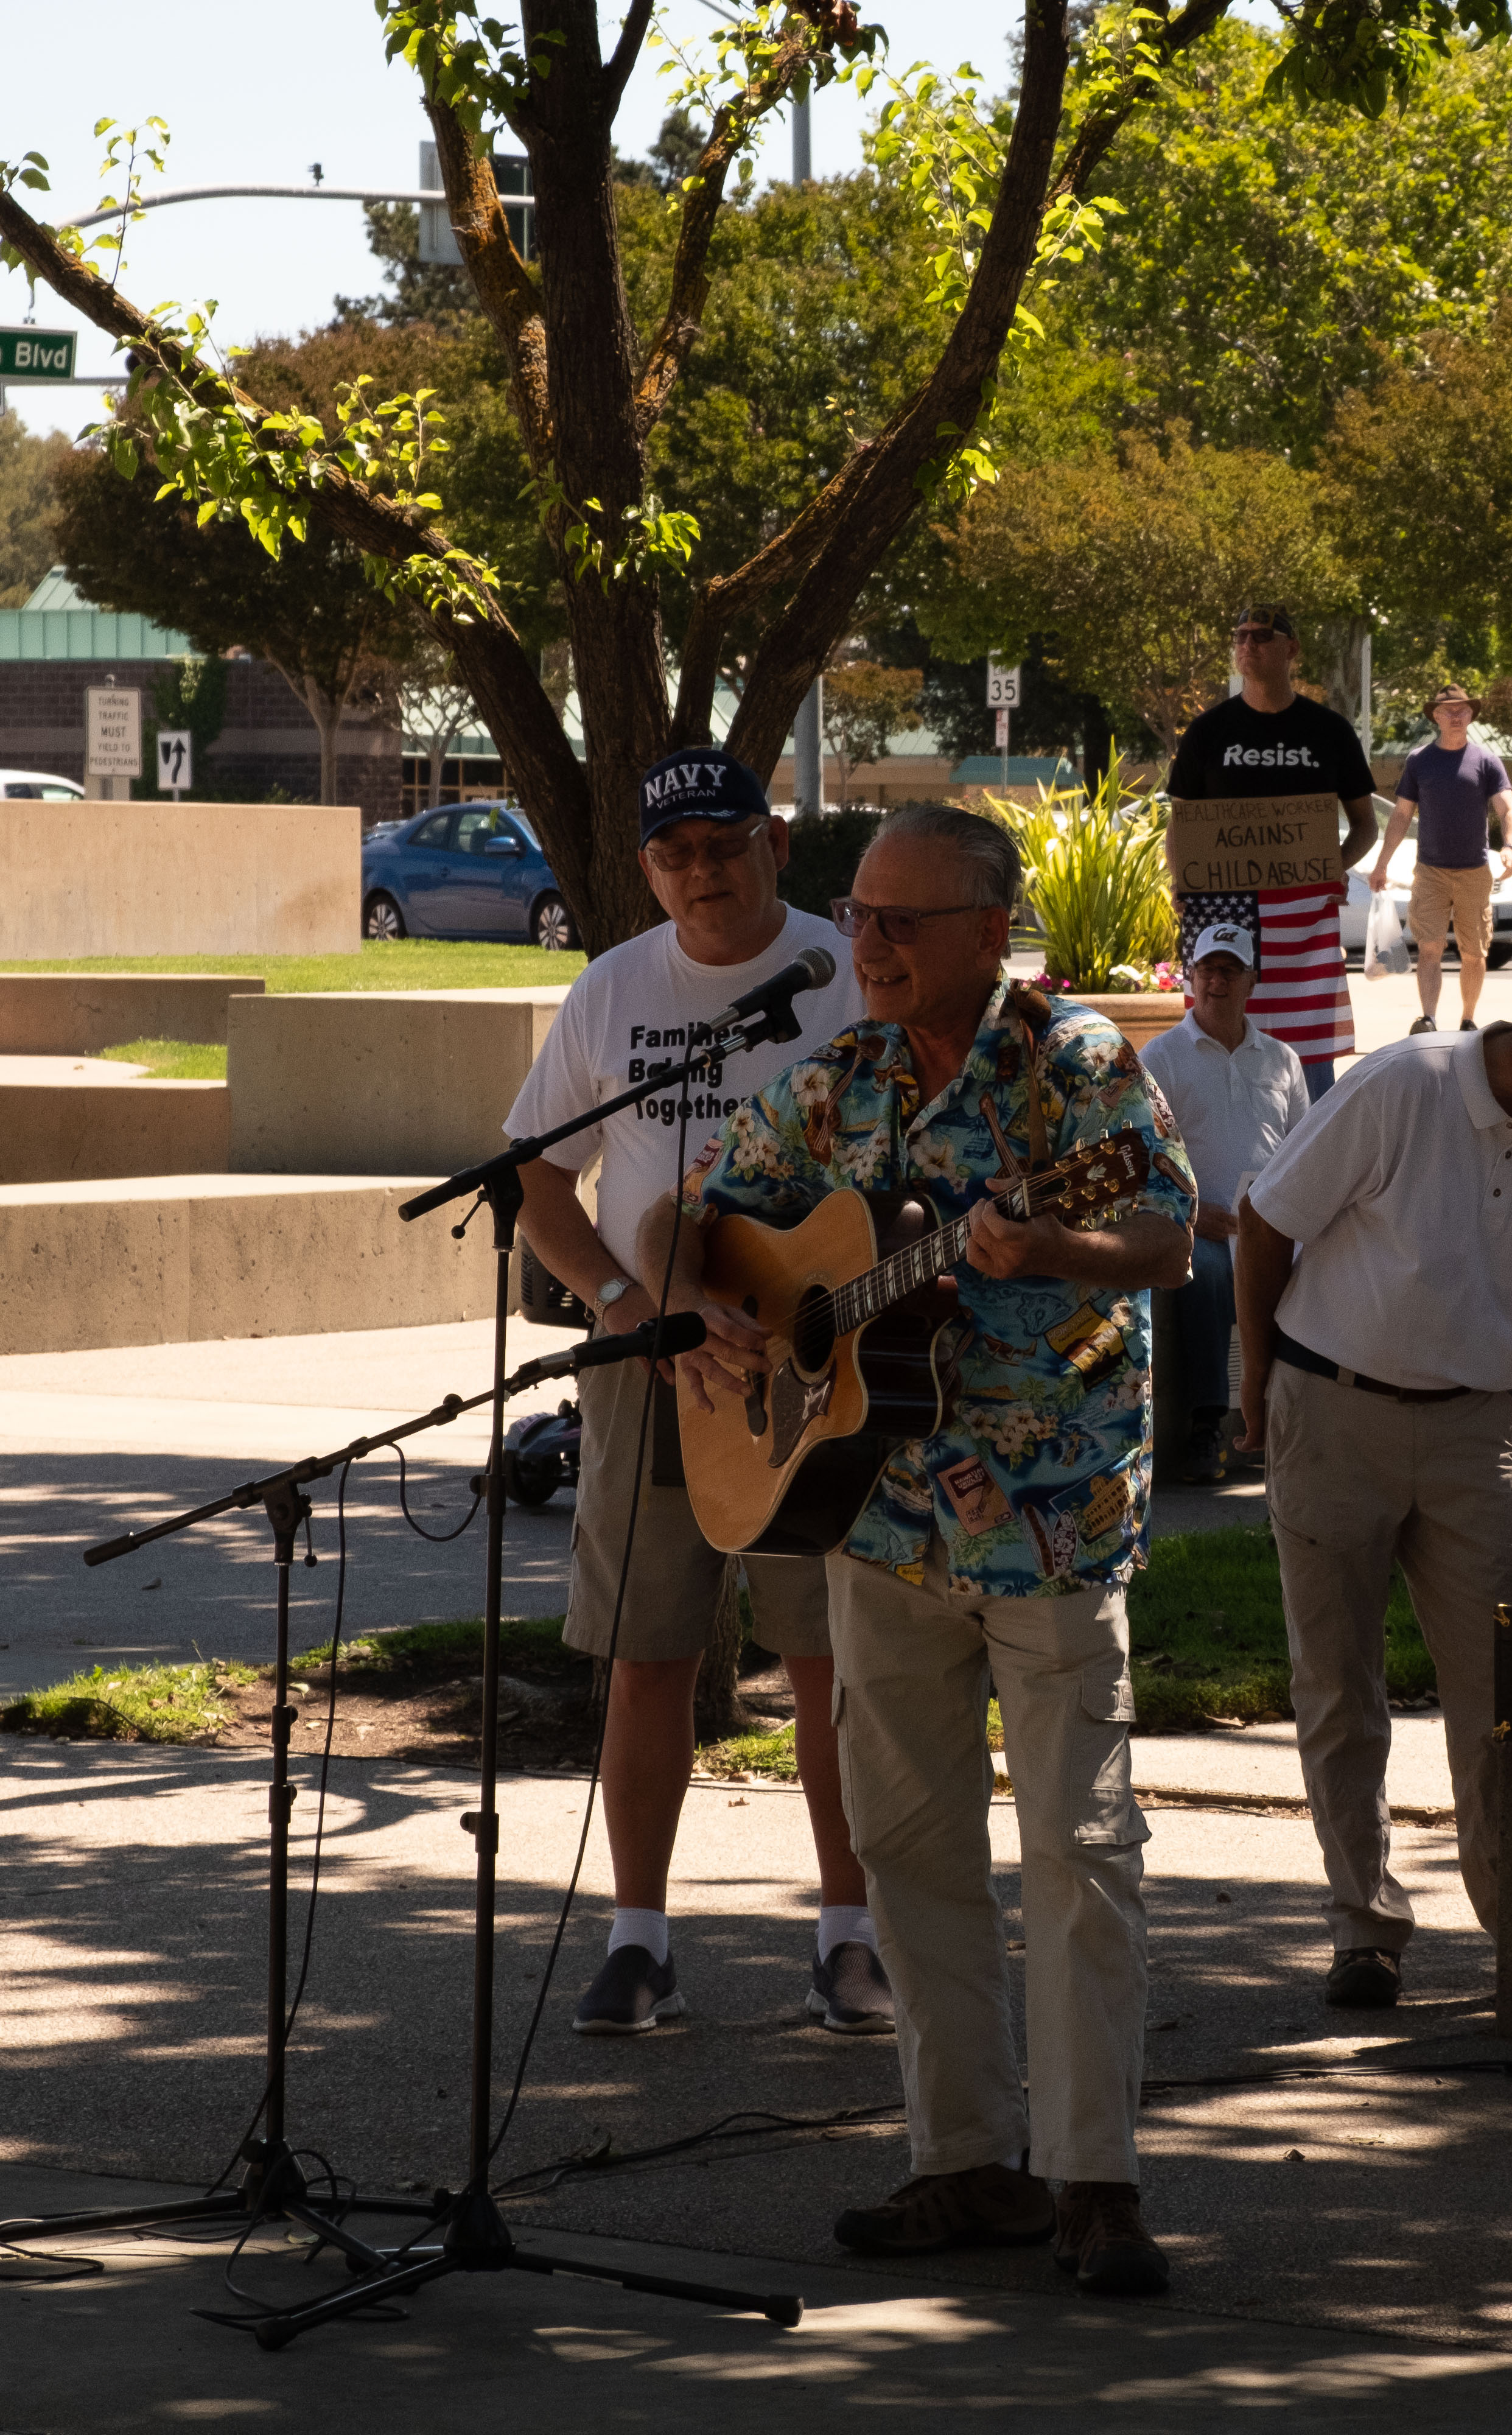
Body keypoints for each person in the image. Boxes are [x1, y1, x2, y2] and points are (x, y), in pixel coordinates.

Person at [641, 804, 1195, 2298]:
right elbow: (687, 1222)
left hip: (1053, 1513)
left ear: (987, 934)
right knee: (908, 1849)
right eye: (860, 913)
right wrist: (705, 1307)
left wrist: (1057, 1248)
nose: (865, 944)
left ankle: (1095, 2180)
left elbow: (1168, 1232)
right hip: (878, 1519)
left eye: (899, 922)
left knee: (1080, 1850)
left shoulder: (1074, 1064)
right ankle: (964, 2164)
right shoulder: (835, 1083)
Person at [505, 745, 887, 2040]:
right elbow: (541, 1179)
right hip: (655, 1362)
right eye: (674, 855)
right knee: (646, 1653)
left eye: (723, 845)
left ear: (773, 837)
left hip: (817, 1360)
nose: (702, 873)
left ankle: (850, 1934)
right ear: (646, 867)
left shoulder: (843, 971)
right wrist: (627, 1307)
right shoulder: (613, 988)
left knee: (830, 1662)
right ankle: (638, 1940)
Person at [1233, 955, 1512, 2008]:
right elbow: (1267, 1218)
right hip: (1329, 1403)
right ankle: (1365, 1929)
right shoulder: (1407, 1085)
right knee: (1338, 1687)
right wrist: (1256, 1379)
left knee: (1501, 1694)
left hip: (1476, 1432)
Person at [1164, 603, 1379, 1099]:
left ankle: (1310, 1156)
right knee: (1218, 1032)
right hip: (1222, 910)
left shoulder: (1329, 732)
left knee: (1309, 1064)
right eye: (1240, 636)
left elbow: (1365, 826)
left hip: (1304, 923)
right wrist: (1181, 880)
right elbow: (1182, 823)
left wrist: (1331, 869)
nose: (1248, 645)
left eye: (1261, 636)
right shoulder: (1207, 731)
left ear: (1292, 649)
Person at [1141, 921, 1309, 1484]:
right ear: (1190, 978)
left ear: (1251, 981)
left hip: (1272, 1224)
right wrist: (1191, 1214)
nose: (1217, 981)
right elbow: (1142, 1157)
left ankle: (1304, 1421)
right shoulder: (1161, 1058)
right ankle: (1208, 1426)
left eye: (1230, 971)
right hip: (1195, 1224)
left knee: (1325, 1270)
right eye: (1207, 970)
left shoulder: (1282, 1060)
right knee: (1208, 1274)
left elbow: (1304, 1151)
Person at [1369, 683, 1512, 1036]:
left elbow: (1507, 808)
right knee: (1430, 947)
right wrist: (1382, 864)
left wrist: (1510, 845)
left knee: (1474, 951)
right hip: (1431, 870)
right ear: (1435, 716)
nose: (1455, 715)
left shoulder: (1486, 761)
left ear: (1471, 715)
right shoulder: (1419, 761)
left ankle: (1469, 1020)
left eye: (1462, 709)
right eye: (1447, 710)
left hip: (1474, 871)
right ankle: (1429, 1019)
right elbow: (1402, 816)